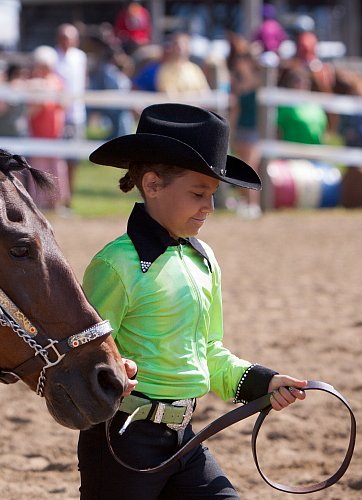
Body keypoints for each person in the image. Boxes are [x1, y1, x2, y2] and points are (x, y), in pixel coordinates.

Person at [77, 103, 307, 499]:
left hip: (185, 438)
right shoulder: (114, 265)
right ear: (152, 185)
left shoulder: (204, 259)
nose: (210, 207)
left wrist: (263, 381)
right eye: (198, 193)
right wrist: (113, 373)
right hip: (122, 445)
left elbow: (208, 352)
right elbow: (82, 360)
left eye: (213, 195)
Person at [25, 45, 71, 212]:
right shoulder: (32, 83)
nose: (43, 68)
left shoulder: (56, 81)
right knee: (39, 167)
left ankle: (56, 203)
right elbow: (30, 109)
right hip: (38, 133)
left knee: (57, 168)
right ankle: (39, 203)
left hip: (55, 132)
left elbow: (64, 103)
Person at [227, 32, 263, 219]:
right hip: (242, 129)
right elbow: (235, 110)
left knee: (250, 167)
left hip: (251, 130)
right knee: (243, 168)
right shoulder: (238, 82)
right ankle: (246, 203)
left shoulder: (257, 81)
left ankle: (253, 205)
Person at [54, 23, 88, 208]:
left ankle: (69, 198)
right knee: (57, 159)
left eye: (70, 38)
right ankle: (57, 197)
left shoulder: (80, 57)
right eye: (64, 37)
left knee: (73, 160)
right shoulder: (53, 56)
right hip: (57, 114)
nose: (67, 42)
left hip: (76, 113)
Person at [276, 64, 327, 145]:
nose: (302, 85)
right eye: (298, 82)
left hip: (313, 154)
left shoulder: (316, 107)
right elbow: (278, 132)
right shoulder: (285, 108)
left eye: (305, 82)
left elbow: (322, 133)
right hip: (290, 153)